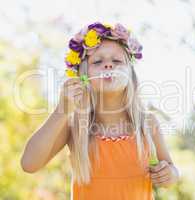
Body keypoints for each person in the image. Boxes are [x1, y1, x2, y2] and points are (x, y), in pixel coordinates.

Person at [21, 21, 180, 200]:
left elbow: (171, 170)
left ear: (131, 75)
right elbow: (29, 164)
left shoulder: (148, 123)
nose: (108, 66)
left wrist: (169, 175)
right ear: (84, 76)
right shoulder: (75, 126)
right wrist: (61, 110)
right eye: (98, 61)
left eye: (116, 60)